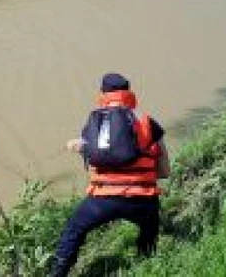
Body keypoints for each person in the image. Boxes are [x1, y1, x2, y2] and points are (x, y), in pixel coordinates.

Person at [50, 73, 171, 277]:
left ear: (103, 95)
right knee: (150, 229)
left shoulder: (91, 126)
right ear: (129, 94)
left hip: (100, 202)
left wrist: (81, 149)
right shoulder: (147, 122)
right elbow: (164, 171)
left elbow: (91, 168)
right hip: (141, 200)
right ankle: (146, 261)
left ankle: (57, 273)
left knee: (73, 230)